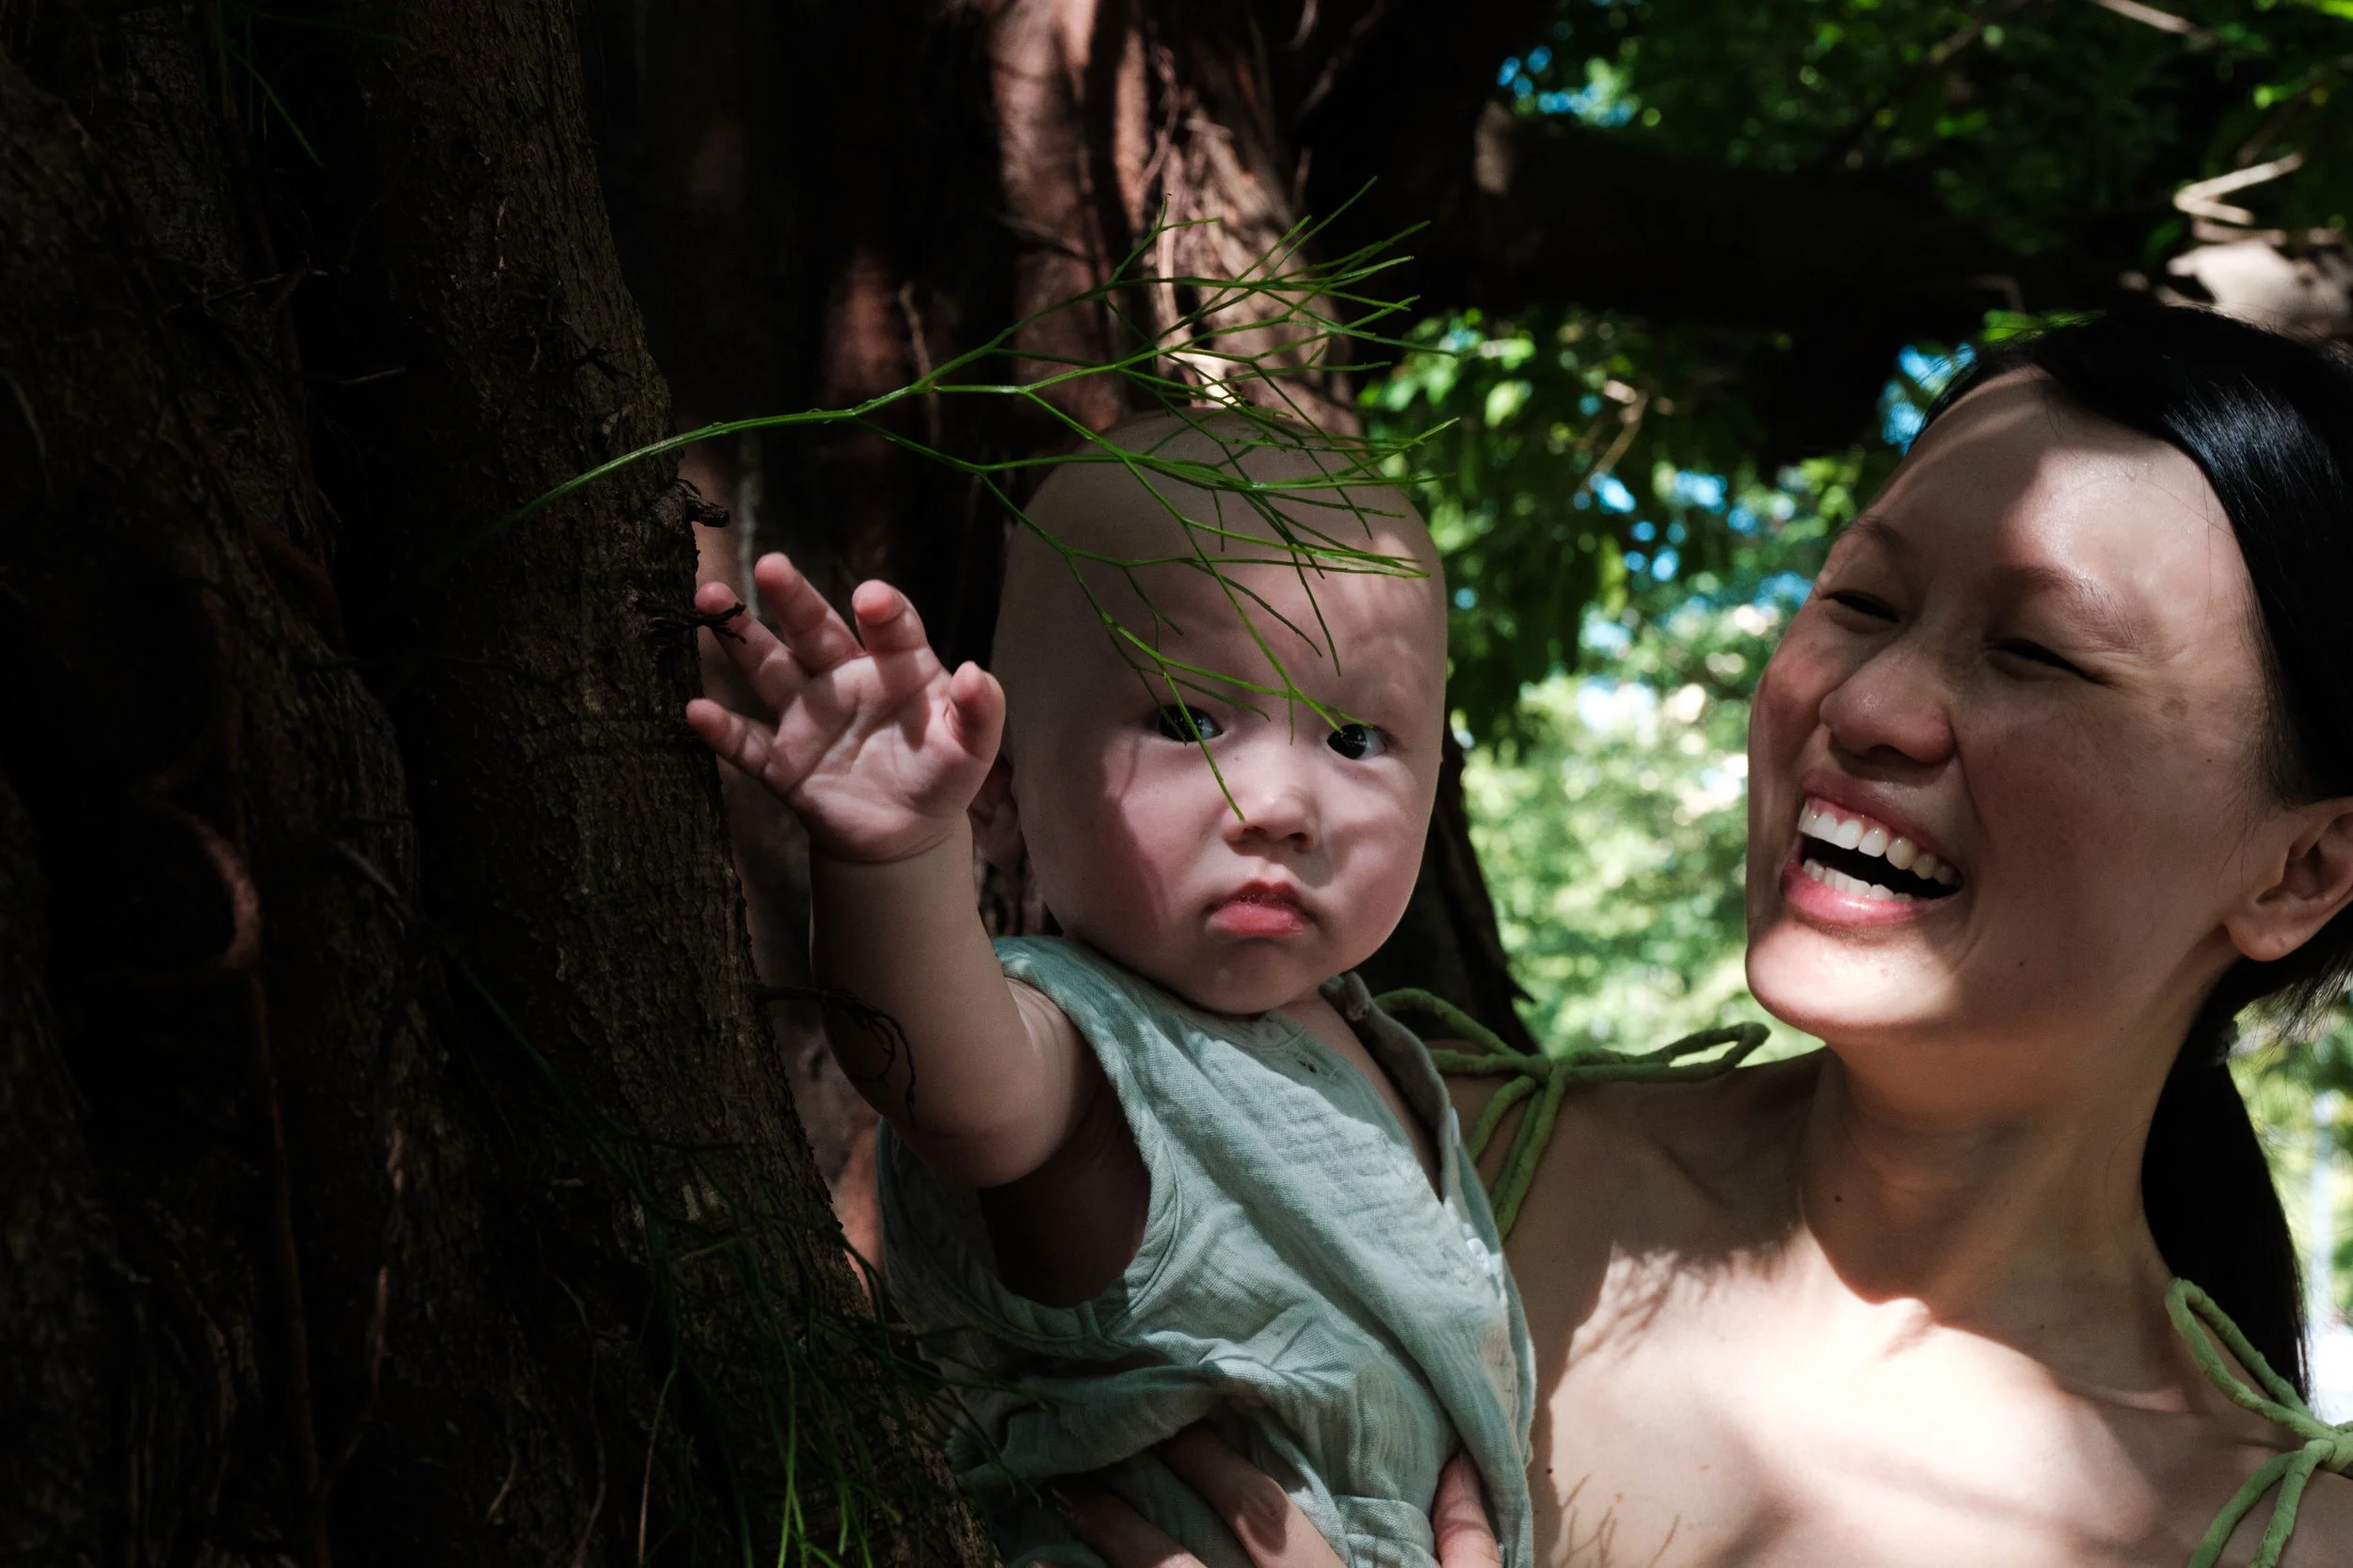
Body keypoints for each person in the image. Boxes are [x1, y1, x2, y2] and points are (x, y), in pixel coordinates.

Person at [1048, 309, 2353, 1568]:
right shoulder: (1373, 1162)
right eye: (1862, 599)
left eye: (2038, 651)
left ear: (2302, 869)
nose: (1872, 704)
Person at [684, 415, 1536, 1568]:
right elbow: (952, 1075)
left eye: (1352, 734)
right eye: (1188, 719)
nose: (1278, 799)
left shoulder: (1373, 1054)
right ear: (1004, 793)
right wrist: (890, 858)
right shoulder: (1086, 1048)